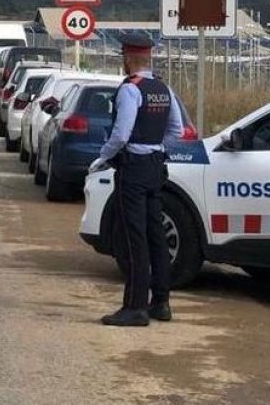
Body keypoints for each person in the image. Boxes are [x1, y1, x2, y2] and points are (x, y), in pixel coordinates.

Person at [89, 31, 184, 327]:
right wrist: (157, 148)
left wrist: (103, 157)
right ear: (149, 57)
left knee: (134, 236)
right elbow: (177, 131)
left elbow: (121, 133)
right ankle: (161, 302)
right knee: (156, 234)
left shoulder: (131, 89)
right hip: (157, 165)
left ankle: (134, 307)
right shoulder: (162, 88)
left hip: (133, 166)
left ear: (128, 59)